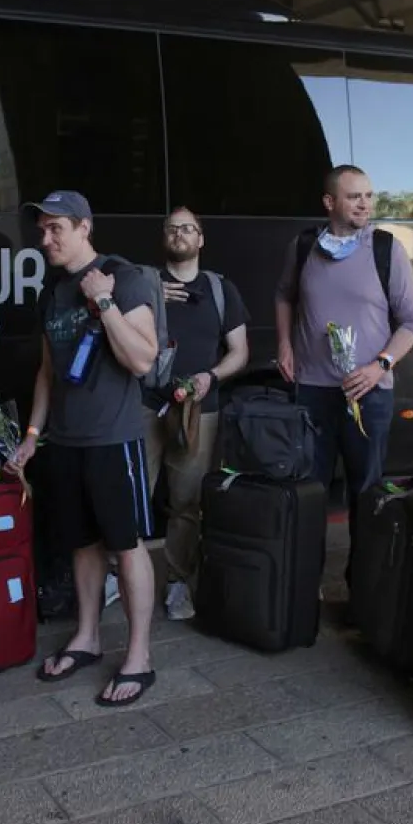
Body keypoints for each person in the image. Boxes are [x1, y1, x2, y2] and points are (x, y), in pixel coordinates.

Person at [6, 191, 161, 707]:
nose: (44, 239)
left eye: (56, 229)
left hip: (113, 439)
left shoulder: (124, 277)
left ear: (84, 228)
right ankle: (87, 637)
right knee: (80, 544)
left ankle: (139, 656)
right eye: (42, 230)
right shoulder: (53, 292)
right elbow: (47, 373)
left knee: (125, 544)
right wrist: (31, 435)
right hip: (66, 442)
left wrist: (106, 302)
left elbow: (142, 359)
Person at [275, 165, 413, 605]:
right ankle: (305, 590)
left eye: (370, 196)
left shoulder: (385, 249)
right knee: (309, 492)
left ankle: (365, 593)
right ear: (329, 203)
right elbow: (284, 295)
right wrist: (284, 344)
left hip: (368, 394)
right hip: (312, 391)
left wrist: (380, 365)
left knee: (366, 493)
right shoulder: (303, 247)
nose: (365, 204)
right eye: (354, 196)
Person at [143, 207, 249, 621]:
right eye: (172, 228)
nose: (180, 234)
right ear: (164, 237)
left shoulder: (222, 290)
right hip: (144, 404)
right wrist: (150, 290)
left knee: (186, 503)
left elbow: (239, 352)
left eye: (188, 228)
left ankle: (176, 582)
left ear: (201, 239)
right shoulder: (143, 283)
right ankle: (116, 575)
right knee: (130, 494)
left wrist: (211, 376)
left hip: (198, 408)